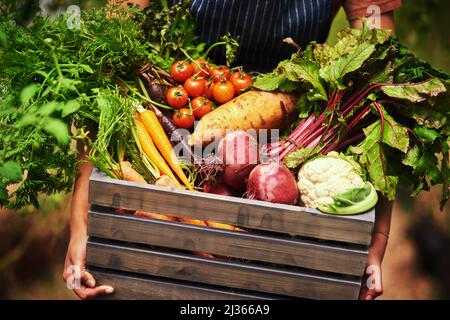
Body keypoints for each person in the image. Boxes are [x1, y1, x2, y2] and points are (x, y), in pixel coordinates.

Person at [63, 0, 401, 300]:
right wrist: (80, 225)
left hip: (285, 148)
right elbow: (106, 76)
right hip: (179, 131)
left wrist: (376, 240)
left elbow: (378, 80)